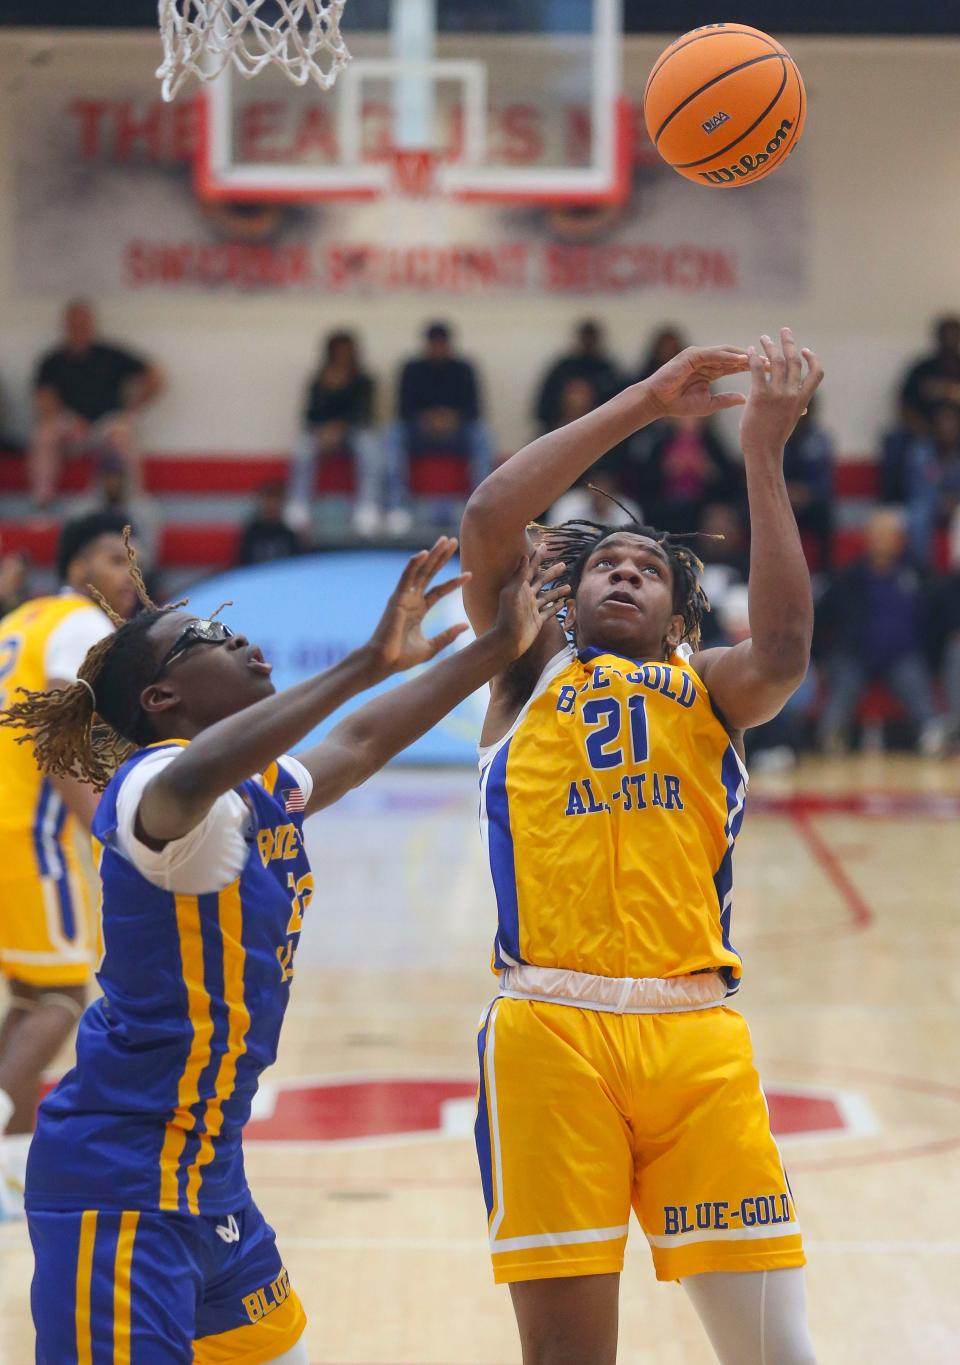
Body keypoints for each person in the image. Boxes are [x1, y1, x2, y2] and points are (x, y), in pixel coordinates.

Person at [0, 530, 565, 1361]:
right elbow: (189, 784)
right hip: (118, 1187)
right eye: (204, 638)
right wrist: (369, 659)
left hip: (209, 1173)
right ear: (160, 699)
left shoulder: (262, 785)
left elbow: (362, 743)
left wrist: (499, 646)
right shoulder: (151, 787)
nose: (237, 636)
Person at [460, 330, 823, 1365]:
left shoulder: (710, 687)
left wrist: (761, 452)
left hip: (695, 1034)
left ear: (679, 614)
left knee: (776, 1354)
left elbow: (788, 649)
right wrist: (645, 404)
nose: (623, 573)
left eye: (647, 571)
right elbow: (491, 516)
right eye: (605, 566)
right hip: (549, 1031)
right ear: (565, 600)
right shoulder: (523, 671)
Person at [0, 512, 136, 1218]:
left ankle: (12, 1165)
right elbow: (59, 729)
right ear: (81, 568)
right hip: (32, 833)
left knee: (28, 997)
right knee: (59, 1000)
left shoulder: (19, 619)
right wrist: (113, 832)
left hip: (7, 821)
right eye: (115, 559)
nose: (127, 573)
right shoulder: (82, 621)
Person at [816, 507, 944, 755]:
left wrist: (933, 658)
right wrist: (820, 658)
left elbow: (935, 619)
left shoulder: (918, 574)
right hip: (855, 654)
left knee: (916, 686)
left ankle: (932, 735)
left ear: (900, 540)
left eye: (887, 534)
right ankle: (831, 735)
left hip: (903, 655)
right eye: (875, 534)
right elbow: (817, 619)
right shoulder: (848, 577)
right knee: (843, 686)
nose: (880, 540)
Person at [30, 300, 165, 510]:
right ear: (65, 325)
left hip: (106, 424)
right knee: (46, 433)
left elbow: (155, 374)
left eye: (83, 322)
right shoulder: (52, 360)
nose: (78, 327)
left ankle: (134, 501)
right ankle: (42, 500)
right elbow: (43, 398)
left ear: (91, 324)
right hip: (71, 425)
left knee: (123, 433)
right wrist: (68, 420)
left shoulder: (110, 354)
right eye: (74, 323)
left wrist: (131, 410)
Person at [385, 321, 493, 533]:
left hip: (457, 431)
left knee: (482, 435)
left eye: (441, 344)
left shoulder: (464, 368)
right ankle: (397, 508)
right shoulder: (412, 368)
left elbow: (474, 408)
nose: (438, 348)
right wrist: (428, 418)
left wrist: (451, 418)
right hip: (420, 431)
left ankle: (481, 508)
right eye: (433, 344)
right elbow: (403, 408)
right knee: (393, 434)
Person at [287, 330, 382, 537]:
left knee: (368, 445)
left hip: (352, 433)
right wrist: (323, 428)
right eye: (338, 351)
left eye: (346, 351)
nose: (342, 355)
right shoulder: (318, 381)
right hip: (322, 434)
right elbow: (309, 416)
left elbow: (365, 414)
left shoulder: (364, 380)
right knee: (303, 446)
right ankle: (298, 505)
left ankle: (367, 506)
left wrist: (340, 428)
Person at [631, 413, 742, 534]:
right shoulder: (662, 442)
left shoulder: (711, 444)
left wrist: (706, 469)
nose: (690, 421)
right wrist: (668, 469)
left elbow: (728, 484)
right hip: (665, 504)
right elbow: (646, 481)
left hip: (702, 505)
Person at [533, 321, 624, 434]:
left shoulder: (609, 372)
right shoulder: (562, 369)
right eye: (574, 394)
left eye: (582, 395)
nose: (577, 401)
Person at [782, 396, 834, 570]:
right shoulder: (774, 437)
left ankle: (823, 573)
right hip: (780, 500)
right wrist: (785, 492)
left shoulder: (820, 440)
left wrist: (807, 493)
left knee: (824, 512)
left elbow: (825, 482)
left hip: (810, 502)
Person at [899, 315, 960, 431]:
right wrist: (926, 430)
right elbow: (905, 406)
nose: (950, 339)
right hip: (926, 433)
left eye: (954, 334)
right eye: (946, 334)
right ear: (938, 337)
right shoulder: (921, 370)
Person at [240, 481, 305, 567]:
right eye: (268, 501)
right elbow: (243, 565)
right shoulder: (251, 534)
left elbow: (296, 565)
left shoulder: (288, 535)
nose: (271, 506)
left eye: (276, 501)